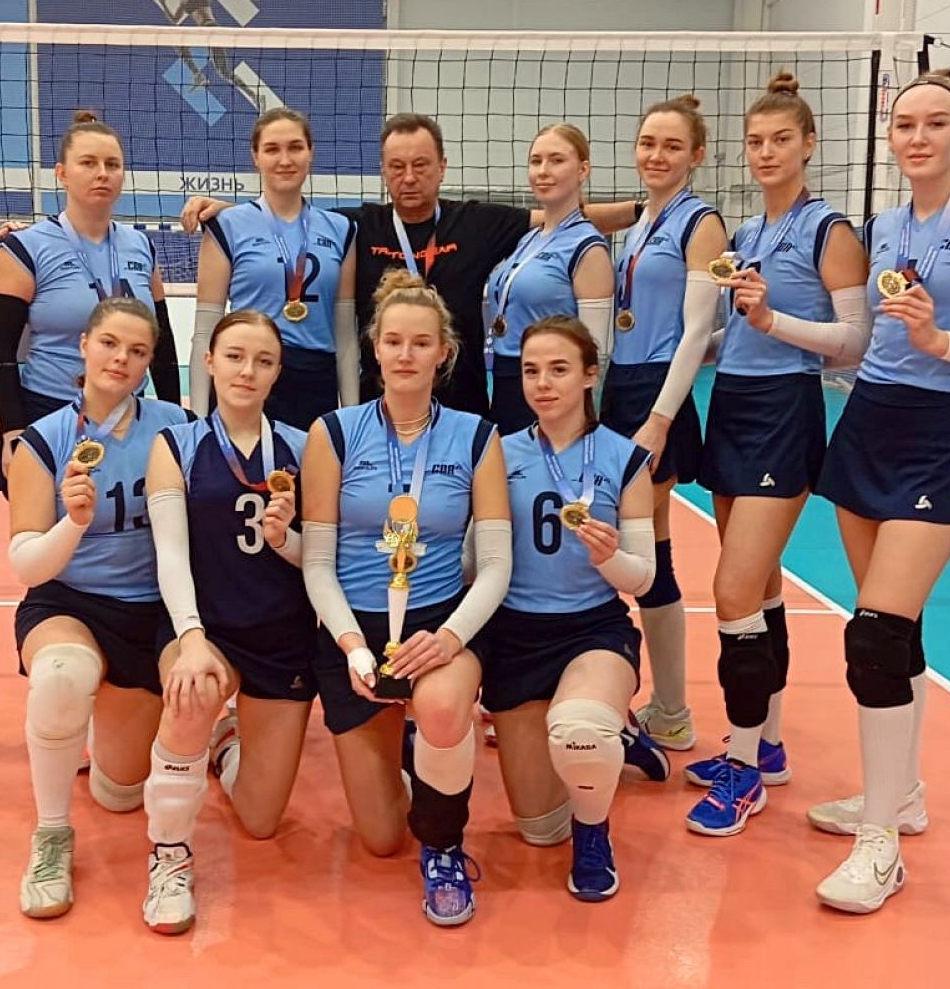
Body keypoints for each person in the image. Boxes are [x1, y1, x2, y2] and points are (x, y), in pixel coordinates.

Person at [809, 69, 950, 913]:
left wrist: (944, 341)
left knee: (874, 635)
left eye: (935, 122)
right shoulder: (883, 226)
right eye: (905, 123)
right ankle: (899, 794)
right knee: (891, 627)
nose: (918, 136)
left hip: (946, 427)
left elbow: (943, 341)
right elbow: (860, 338)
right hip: (871, 415)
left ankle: (880, 846)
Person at [683, 73, 870, 836]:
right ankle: (765, 745)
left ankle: (743, 772)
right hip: (730, 403)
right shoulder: (746, 234)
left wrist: (773, 321)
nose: (766, 152)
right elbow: (739, 335)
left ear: (808, 145)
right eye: (756, 141)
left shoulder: (831, 231)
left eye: (781, 140)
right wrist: (691, 344)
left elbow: (853, 343)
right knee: (758, 589)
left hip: (785, 411)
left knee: (730, 589)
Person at [182, 112, 640, 418]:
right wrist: (231, 214)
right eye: (397, 166)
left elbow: (562, 217)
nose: (409, 177)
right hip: (380, 403)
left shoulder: (479, 222)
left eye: (421, 165)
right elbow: (289, 223)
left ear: (442, 167)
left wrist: (644, 210)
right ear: (383, 171)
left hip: (461, 403)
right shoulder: (357, 226)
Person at [301, 269, 512, 926]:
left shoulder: (477, 437)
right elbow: (317, 563)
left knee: (444, 711)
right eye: (393, 341)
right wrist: (351, 646)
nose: (405, 355)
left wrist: (449, 639)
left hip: (439, 626)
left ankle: (444, 847)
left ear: (443, 351)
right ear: (374, 347)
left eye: (421, 343)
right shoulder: (333, 433)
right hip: (355, 632)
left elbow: (497, 566)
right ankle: (408, 754)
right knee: (381, 837)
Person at [7, 296, 197, 926]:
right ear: (84, 345)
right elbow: (28, 566)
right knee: (61, 677)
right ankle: (51, 835)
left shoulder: (177, 427)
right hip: (71, 602)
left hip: (151, 610)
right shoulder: (45, 439)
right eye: (110, 344)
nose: (122, 359)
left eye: (138, 351)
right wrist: (73, 522)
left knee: (119, 794)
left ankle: (111, 725)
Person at [138, 308, 317, 932]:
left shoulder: (304, 447)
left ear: (278, 372)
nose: (247, 371)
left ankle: (228, 745)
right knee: (194, 693)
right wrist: (190, 638)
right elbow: (169, 554)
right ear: (209, 362)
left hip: (281, 636)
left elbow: (320, 558)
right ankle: (169, 856)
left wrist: (285, 540)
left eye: (263, 361)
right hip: (206, 628)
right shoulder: (176, 445)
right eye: (235, 356)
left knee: (261, 821)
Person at [477, 316, 657, 899]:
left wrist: (609, 557)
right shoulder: (496, 454)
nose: (543, 383)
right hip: (514, 635)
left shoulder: (625, 458)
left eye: (558, 369)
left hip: (591, 630)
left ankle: (594, 832)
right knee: (538, 829)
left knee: (579, 733)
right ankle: (617, 738)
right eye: (531, 371)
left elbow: (644, 577)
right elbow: (475, 557)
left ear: (589, 375)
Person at [600, 94, 726, 753]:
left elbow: (696, 333)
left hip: (655, 392)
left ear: (696, 155)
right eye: (648, 143)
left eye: (672, 146)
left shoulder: (700, 222)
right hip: (622, 386)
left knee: (640, 551)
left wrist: (659, 420)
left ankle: (670, 707)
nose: (657, 155)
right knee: (649, 547)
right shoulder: (642, 219)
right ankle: (664, 706)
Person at [0, 109, 181, 496]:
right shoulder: (25, 247)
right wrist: (13, 430)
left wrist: (178, 424)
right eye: (88, 163)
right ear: (61, 173)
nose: (102, 173)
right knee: (47, 531)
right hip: (50, 413)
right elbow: (0, 353)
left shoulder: (141, 246)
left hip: (130, 416)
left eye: (112, 165)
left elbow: (162, 345)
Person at [188, 107, 358, 430]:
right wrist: (196, 422)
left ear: (310, 152)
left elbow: (346, 335)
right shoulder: (225, 226)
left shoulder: (341, 230)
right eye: (272, 149)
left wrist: (351, 417)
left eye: (295, 147)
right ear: (255, 156)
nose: (285, 160)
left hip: (314, 383)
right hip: (247, 375)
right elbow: (205, 332)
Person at [484, 124, 613, 435]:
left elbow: (596, 349)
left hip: (551, 389)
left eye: (556, 160)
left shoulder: (588, 248)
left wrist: (584, 422)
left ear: (583, 170)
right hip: (507, 381)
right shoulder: (528, 239)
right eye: (536, 161)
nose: (543, 171)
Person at [157, 0, 263, 111]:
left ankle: (253, 95)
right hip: (203, 33)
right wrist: (163, 4)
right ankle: (253, 95)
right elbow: (175, 20)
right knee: (223, 72)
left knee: (222, 71)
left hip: (210, 29)